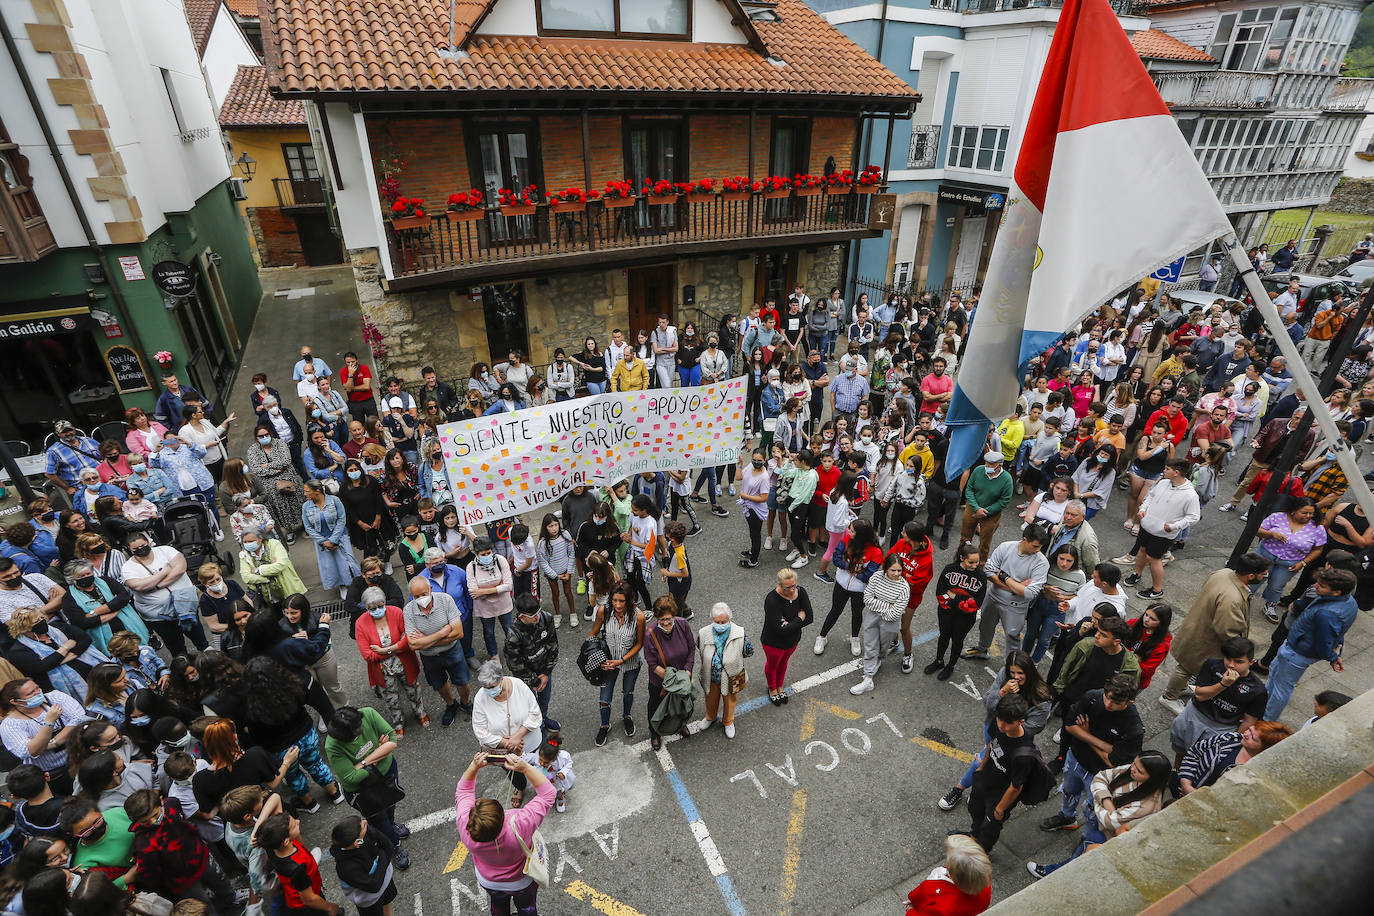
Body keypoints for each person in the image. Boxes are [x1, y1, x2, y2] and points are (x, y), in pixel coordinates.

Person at [1027, 750, 1171, 879]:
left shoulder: (1147, 805)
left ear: (1152, 778)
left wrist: (1098, 799)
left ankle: (1052, 874)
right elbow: (1100, 777)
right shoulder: (1132, 771)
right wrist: (1108, 804)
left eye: (1139, 770)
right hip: (1102, 823)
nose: (1132, 768)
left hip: (1109, 836)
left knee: (1081, 856)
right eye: (1134, 763)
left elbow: (1111, 821)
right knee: (1084, 848)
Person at [1160, 554, 1268, 712]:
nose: (1265, 576)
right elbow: (1228, 630)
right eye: (1263, 573)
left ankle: (1179, 689)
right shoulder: (1232, 599)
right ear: (1251, 576)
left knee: (1187, 665)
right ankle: (1170, 697)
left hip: (1198, 627)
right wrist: (1241, 650)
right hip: (1205, 640)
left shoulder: (1223, 573)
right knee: (1186, 668)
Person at [1039, 675, 1144, 833]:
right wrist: (1105, 746)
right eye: (1107, 697)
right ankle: (1067, 817)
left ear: (1129, 702)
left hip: (1100, 775)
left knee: (1093, 809)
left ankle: (1089, 838)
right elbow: (1069, 725)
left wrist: (1086, 735)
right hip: (1075, 758)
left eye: (1116, 702)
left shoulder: (1133, 727)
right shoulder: (1093, 697)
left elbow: (1113, 762)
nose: (1108, 704)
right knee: (1068, 791)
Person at [455, 750, 554, 916]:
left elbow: (463, 792)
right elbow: (548, 794)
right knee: (526, 907)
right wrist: (525, 768)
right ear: (502, 816)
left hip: (488, 880)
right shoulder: (520, 825)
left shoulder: (466, 827)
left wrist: (474, 766)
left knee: (498, 906)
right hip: (521, 881)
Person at [1262, 566, 1358, 720]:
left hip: (1297, 653)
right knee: (1274, 673)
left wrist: (1333, 657)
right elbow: (1340, 631)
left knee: (1282, 688)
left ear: (1336, 592)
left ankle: (1266, 720)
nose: (1315, 586)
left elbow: (1323, 644)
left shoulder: (1327, 614)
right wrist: (1337, 653)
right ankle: (1261, 703)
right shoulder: (1349, 602)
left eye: (1321, 585)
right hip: (1296, 647)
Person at [124, 788, 239, 910]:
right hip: (182, 880)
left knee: (221, 882)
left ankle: (231, 899)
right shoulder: (143, 844)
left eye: (155, 815)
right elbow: (151, 873)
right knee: (201, 907)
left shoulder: (172, 804)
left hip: (201, 855)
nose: (152, 822)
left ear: (161, 802)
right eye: (145, 822)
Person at [324, 706, 410, 870]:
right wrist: (379, 752)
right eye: (357, 731)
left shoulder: (368, 713)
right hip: (363, 790)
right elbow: (350, 777)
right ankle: (393, 846)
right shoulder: (332, 745)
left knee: (391, 804)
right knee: (378, 820)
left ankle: (392, 826)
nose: (361, 729)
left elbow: (392, 740)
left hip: (386, 774)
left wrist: (362, 763)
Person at [1167, 636, 1267, 767]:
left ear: (1251, 662)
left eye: (1238, 661)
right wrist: (1223, 684)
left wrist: (1231, 743)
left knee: (1203, 762)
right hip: (1195, 715)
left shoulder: (1258, 690)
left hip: (1221, 728)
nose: (1231, 665)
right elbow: (1199, 695)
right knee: (1180, 748)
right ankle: (1176, 770)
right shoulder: (1213, 665)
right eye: (1228, 658)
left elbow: (1249, 721)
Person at [960, 694, 1035, 853]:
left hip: (999, 796)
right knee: (974, 809)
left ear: (1021, 721)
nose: (1001, 725)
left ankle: (982, 851)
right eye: (1000, 718)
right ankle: (974, 836)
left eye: (1008, 722)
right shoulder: (999, 724)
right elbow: (991, 744)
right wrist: (981, 767)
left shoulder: (1023, 753)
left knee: (990, 828)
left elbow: (1016, 787)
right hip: (985, 780)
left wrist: (1000, 809)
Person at [962, 525, 1050, 661]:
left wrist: (1005, 577)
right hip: (993, 597)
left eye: (1040, 547)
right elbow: (989, 571)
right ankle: (982, 649)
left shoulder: (1042, 563)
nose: (1038, 550)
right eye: (1035, 546)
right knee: (985, 626)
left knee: (1012, 635)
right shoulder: (1006, 547)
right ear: (1025, 540)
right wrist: (1015, 587)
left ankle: (1011, 665)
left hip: (1016, 606)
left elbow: (1030, 593)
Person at [1120, 459, 1199, 600]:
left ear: (1176, 473)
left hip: (1163, 533)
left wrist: (1174, 526)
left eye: (1167, 469)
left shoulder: (1190, 495)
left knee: (1153, 558)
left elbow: (1193, 517)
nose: (1164, 471)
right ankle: (1136, 574)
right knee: (1142, 550)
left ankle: (1157, 590)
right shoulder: (1162, 482)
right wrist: (1143, 509)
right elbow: (1150, 496)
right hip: (1147, 526)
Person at [119, 533, 205, 654]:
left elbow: (180, 568)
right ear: (129, 550)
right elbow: (138, 585)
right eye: (135, 549)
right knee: (175, 644)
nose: (140, 550)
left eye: (142, 546)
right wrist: (164, 572)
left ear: (148, 542)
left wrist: (155, 585)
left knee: (197, 633)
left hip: (185, 604)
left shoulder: (165, 550)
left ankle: (206, 652)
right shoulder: (128, 568)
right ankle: (183, 663)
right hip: (158, 615)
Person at [403, 577, 471, 727]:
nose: (421, 599)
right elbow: (413, 644)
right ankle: (451, 705)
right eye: (416, 596)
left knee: (463, 682)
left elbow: (458, 633)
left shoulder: (445, 600)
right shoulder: (408, 611)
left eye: (423, 594)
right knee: (439, 684)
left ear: (430, 590)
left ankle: (466, 703)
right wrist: (441, 633)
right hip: (429, 658)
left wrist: (425, 641)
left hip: (452, 650)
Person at [0, 679, 88, 794]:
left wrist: (51, 744)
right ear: (16, 702)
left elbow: (80, 718)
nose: (38, 693)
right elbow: (29, 751)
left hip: (80, 758)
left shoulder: (56, 698)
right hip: (53, 774)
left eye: (37, 688)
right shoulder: (11, 724)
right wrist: (49, 722)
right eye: (31, 693)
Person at [814, 521, 884, 657]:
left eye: (851, 530)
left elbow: (869, 575)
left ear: (861, 535)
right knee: (835, 610)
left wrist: (854, 572)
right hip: (841, 584)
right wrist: (851, 568)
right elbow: (836, 559)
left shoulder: (875, 551)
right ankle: (822, 637)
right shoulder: (846, 540)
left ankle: (855, 638)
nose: (848, 531)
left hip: (860, 589)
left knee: (857, 613)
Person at [1254, 498, 1327, 622]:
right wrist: (1271, 534)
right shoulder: (1277, 517)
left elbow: (1318, 549)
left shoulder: (1317, 528)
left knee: (1277, 586)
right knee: (1255, 579)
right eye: (1304, 512)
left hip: (1290, 563)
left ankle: (1270, 605)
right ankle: (1243, 598)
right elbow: (1257, 530)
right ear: (1293, 510)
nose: (1308, 516)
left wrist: (1303, 563)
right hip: (1266, 555)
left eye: (1311, 513)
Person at [589, 582, 645, 746]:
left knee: (628, 692)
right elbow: (593, 635)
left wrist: (621, 660)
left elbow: (639, 643)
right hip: (608, 662)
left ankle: (627, 716)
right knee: (604, 699)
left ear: (629, 600)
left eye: (622, 601)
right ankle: (604, 725)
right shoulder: (603, 611)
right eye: (615, 600)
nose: (618, 605)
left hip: (630, 661)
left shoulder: (638, 617)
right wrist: (598, 658)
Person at [1177, 721, 1293, 795]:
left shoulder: (1257, 775)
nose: (1246, 734)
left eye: (1253, 738)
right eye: (1250, 730)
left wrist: (1195, 797)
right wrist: (1186, 784)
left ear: (1265, 748)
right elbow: (1195, 752)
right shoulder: (1229, 739)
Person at [259, 811, 341, 915]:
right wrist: (330, 907)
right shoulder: (296, 868)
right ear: (285, 841)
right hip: (307, 906)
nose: (298, 821)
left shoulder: (272, 847)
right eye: (294, 826)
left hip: (299, 894)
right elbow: (309, 899)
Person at [642, 596, 696, 751]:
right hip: (661, 682)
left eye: (668, 619)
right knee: (656, 707)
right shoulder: (650, 635)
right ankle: (655, 733)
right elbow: (652, 663)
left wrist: (687, 670)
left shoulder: (683, 624)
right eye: (661, 620)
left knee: (680, 705)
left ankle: (680, 725)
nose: (665, 623)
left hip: (682, 677)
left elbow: (691, 648)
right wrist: (672, 680)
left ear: (674, 616)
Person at [504, 594, 561, 735]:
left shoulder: (546, 618)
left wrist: (546, 673)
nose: (537, 617)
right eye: (533, 616)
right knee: (530, 705)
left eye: (538, 612)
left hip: (544, 669)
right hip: (526, 676)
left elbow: (553, 646)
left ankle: (543, 718)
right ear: (522, 617)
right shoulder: (514, 635)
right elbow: (515, 665)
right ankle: (538, 729)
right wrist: (534, 681)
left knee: (544, 699)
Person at [302, 479, 362, 601]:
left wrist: (333, 539)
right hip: (322, 542)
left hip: (340, 537)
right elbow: (308, 527)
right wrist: (324, 542)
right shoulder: (306, 506)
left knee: (348, 562)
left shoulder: (334, 501)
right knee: (331, 565)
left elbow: (341, 520)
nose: (304, 494)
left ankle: (355, 585)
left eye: (307, 491)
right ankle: (342, 585)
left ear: (317, 491)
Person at [695, 603, 749, 738]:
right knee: (710, 699)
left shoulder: (740, 633)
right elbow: (699, 647)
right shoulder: (703, 633)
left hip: (733, 676)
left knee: (731, 700)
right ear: (712, 620)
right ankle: (710, 717)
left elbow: (748, 651)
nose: (720, 624)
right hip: (711, 676)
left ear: (729, 619)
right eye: (717, 621)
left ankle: (728, 721)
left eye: (723, 621)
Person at [905, 834, 992, 915]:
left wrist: (910, 910)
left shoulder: (943, 908)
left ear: (953, 876)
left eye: (949, 859)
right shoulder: (983, 879)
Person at [246, 425, 304, 545]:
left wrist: (267, 465)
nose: (264, 437)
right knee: (279, 508)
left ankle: (305, 524)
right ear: (256, 438)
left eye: (266, 435)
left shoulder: (280, 443)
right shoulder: (252, 450)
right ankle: (289, 531)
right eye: (261, 436)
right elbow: (257, 469)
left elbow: (286, 460)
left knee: (296, 501)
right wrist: (277, 470)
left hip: (288, 478)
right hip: (269, 484)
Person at [467, 536, 514, 656]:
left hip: (503, 604)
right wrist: (499, 588)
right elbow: (474, 593)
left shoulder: (500, 560)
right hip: (485, 608)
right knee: (488, 632)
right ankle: (494, 655)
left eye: (489, 552)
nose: (487, 556)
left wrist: (483, 591)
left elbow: (509, 586)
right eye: (483, 554)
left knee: (509, 629)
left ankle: (514, 651)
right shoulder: (471, 567)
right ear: (476, 554)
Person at [239, 526, 307, 603]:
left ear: (260, 539)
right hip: (266, 597)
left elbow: (280, 566)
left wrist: (257, 570)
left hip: (287, 588)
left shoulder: (274, 544)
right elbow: (246, 577)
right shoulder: (243, 554)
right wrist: (266, 579)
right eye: (245, 542)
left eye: (251, 541)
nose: (247, 544)